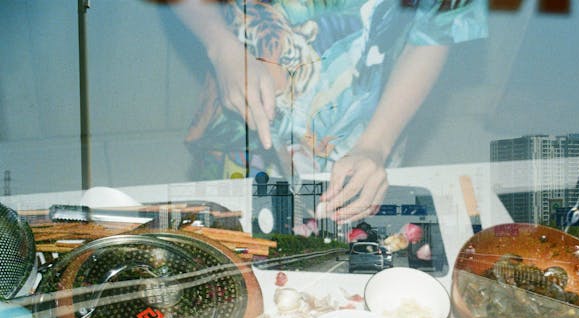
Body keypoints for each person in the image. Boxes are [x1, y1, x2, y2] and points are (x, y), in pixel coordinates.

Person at [173, 0, 487, 223]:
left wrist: (375, 146)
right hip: (240, 112)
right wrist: (220, 46)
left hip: (367, 124)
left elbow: (435, 32)